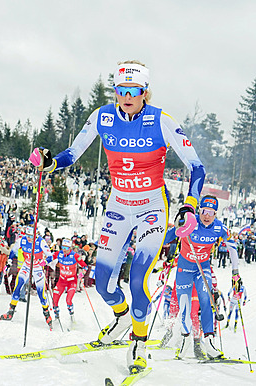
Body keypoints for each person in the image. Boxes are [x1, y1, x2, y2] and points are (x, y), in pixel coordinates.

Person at [33, 61, 206, 373]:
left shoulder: (160, 120)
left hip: (151, 207)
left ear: (144, 93)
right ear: (115, 92)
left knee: (138, 279)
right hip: (118, 205)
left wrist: (190, 206)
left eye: (134, 91)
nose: (126, 96)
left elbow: (197, 166)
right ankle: (123, 317)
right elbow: (71, 154)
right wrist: (49, 162)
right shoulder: (102, 116)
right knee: (102, 284)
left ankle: (138, 343)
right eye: (121, 90)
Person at [174, 195, 239, 359]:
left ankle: (209, 342)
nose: (207, 215)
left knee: (206, 299)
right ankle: (185, 339)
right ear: (199, 210)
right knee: (185, 304)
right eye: (204, 211)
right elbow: (169, 234)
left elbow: (232, 248)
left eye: (211, 212)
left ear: (216, 214)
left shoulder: (220, 228)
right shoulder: (190, 221)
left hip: (202, 268)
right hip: (184, 267)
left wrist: (235, 271)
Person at [0, 226, 54, 329]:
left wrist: (45, 262)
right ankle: (10, 311)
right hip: (26, 266)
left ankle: (47, 314)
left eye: (31, 236)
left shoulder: (41, 242)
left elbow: (50, 256)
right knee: (18, 286)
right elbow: (13, 251)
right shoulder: (21, 240)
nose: (29, 238)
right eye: (27, 235)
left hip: (37, 268)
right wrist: (9, 262)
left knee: (41, 293)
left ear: (36, 235)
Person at [51, 238, 87, 323]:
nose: (64, 249)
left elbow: (84, 266)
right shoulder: (59, 254)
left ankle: (72, 316)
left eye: (66, 248)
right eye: (63, 247)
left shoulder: (75, 255)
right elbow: (49, 258)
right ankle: (57, 317)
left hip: (72, 282)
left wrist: (82, 274)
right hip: (61, 281)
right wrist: (43, 262)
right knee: (54, 300)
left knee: (68, 300)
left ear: (70, 248)